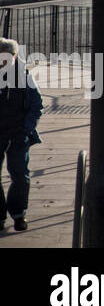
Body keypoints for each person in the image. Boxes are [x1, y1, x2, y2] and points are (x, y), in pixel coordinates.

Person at [0, 37, 43, 233]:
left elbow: (36, 104)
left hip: (18, 133)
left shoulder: (24, 75)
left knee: (20, 175)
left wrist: (26, 129)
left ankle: (18, 214)